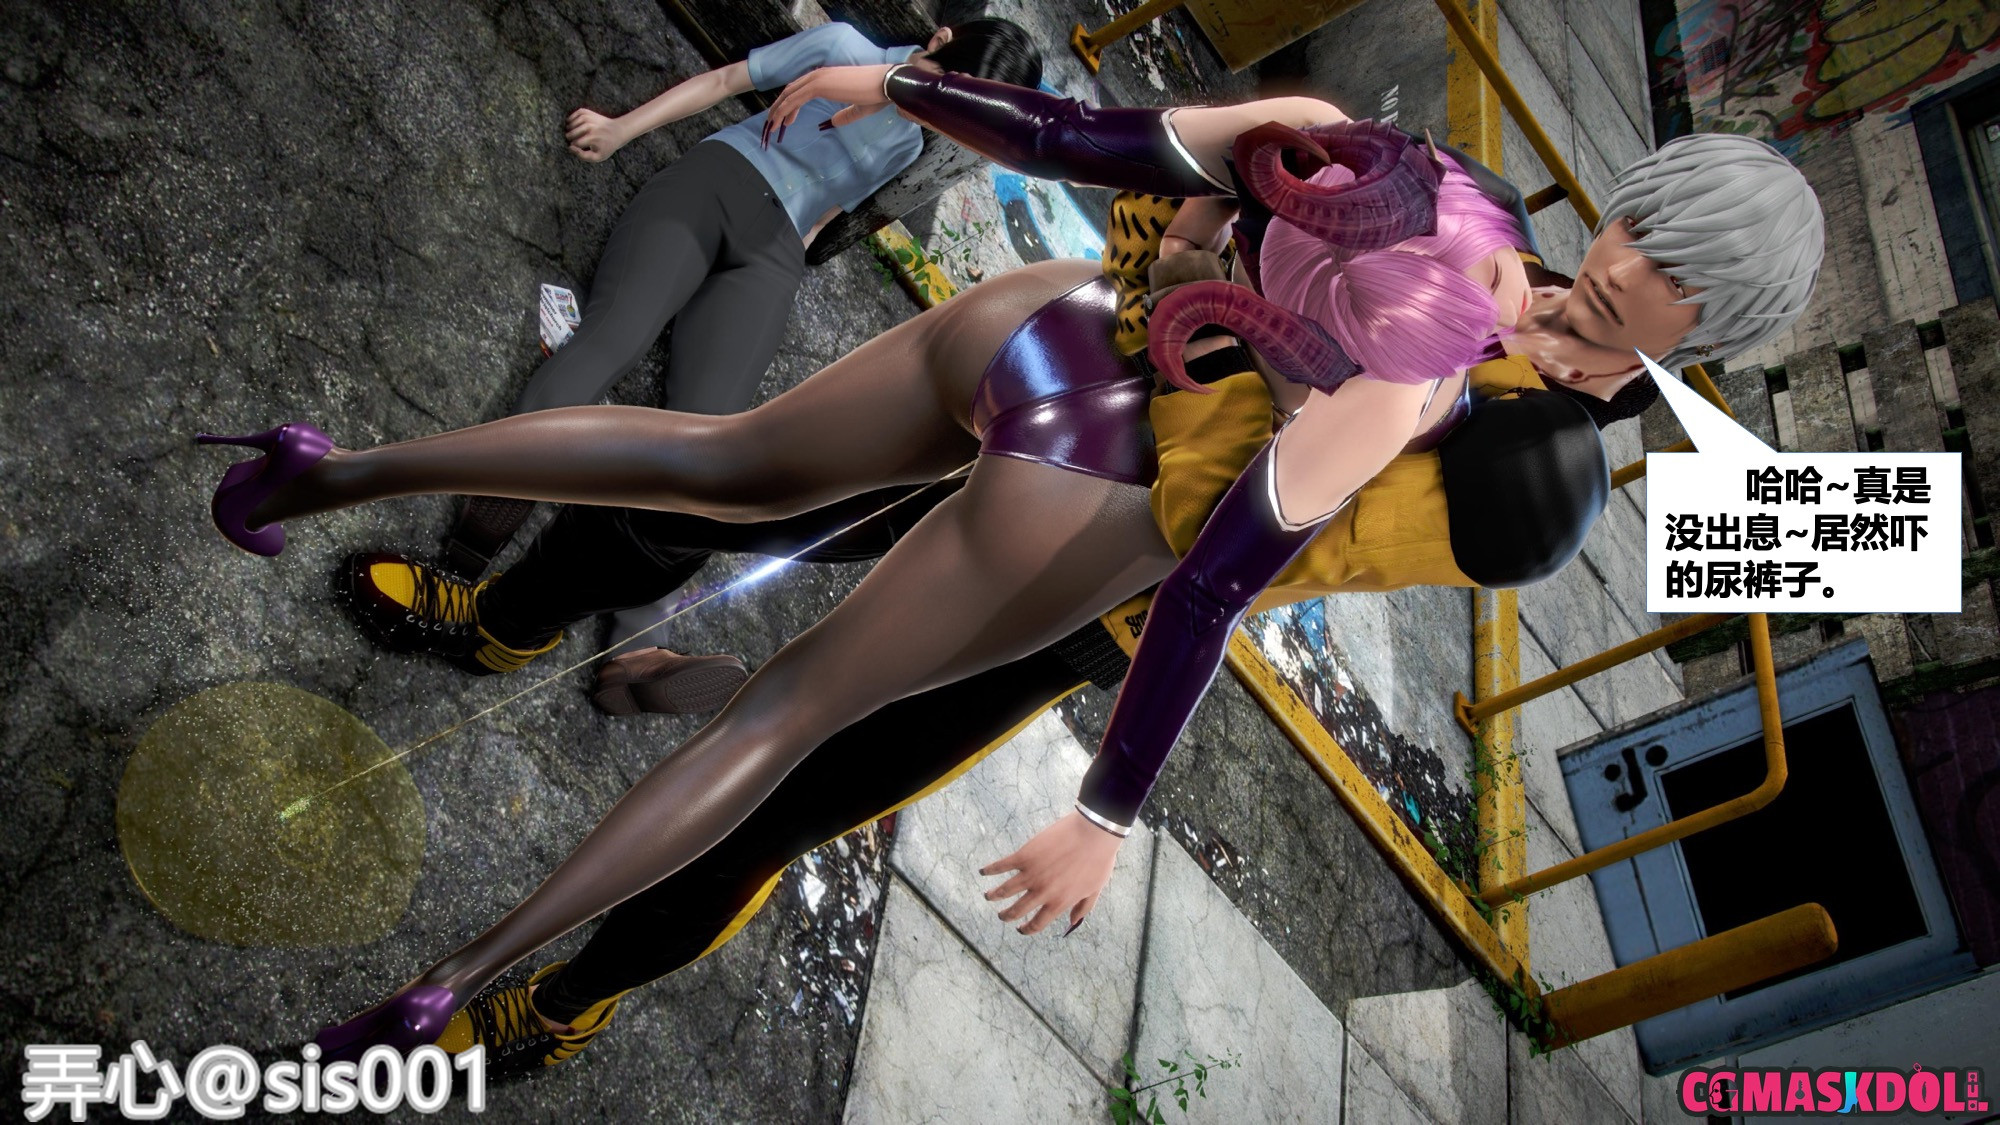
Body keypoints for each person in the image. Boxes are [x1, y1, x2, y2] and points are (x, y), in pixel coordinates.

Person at [196, 73, 1823, 1061]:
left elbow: (1252, 549)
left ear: (1706, 334)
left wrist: (1109, 800)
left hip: (1092, 552)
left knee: (791, 774)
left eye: (1666, 280)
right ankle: (500, 632)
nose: (1620, 272)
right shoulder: (1473, 242)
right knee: (730, 508)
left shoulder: (1531, 466)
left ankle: (559, 993)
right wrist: (1183, 253)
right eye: (1640, 234)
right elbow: (1184, 230)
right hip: (1085, 413)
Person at [358, 18, 1040, 712]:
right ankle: (478, 533)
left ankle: (634, 652)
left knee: (711, 447)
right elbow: (727, 80)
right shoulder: (843, 49)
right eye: (947, 93)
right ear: (940, 41)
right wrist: (620, 129)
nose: (941, 117)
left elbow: (828, 211)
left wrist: (783, 266)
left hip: (774, 253)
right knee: (612, 339)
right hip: (717, 184)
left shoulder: (911, 140)